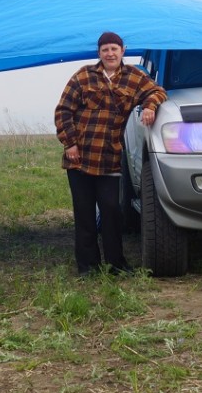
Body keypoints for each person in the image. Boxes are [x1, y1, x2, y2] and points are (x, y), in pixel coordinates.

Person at [54, 31, 167, 275]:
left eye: (114, 49)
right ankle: (88, 267)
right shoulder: (83, 76)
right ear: (99, 53)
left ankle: (116, 264)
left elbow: (158, 91)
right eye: (105, 49)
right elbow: (63, 110)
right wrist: (70, 143)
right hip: (79, 158)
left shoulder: (134, 77)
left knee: (112, 213)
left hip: (110, 159)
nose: (110, 53)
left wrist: (150, 106)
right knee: (84, 214)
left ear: (122, 51)